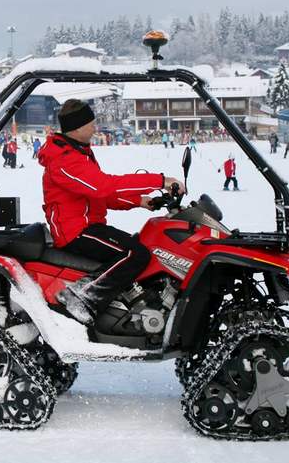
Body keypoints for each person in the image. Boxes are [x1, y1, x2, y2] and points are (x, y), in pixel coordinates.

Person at [39, 99, 183, 326]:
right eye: (91, 123)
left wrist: (139, 201)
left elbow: (99, 195)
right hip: (74, 231)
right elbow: (103, 186)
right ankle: (81, 297)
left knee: (141, 243)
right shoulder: (64, 160)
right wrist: (159, 180)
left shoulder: (77, 153)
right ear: (77, 127)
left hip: (88, 226)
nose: (95, 128)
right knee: (135, 254)